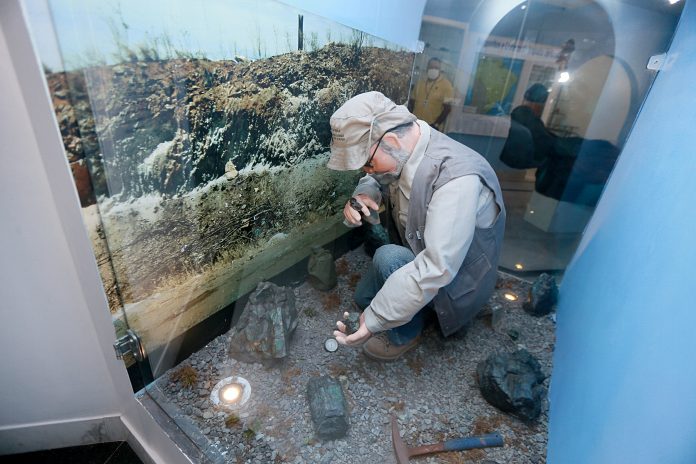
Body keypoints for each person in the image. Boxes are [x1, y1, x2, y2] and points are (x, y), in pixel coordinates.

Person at [327, 91, 506, 361]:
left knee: (386, 260)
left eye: (367, 163)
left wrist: (375, 320)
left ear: (390, 140)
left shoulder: (456, 180)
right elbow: (380, 176)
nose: (367, 171)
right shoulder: (409, 144)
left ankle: (406, 335)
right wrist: (364, 193)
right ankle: (399, 306)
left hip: (455, 282)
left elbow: (434, 268)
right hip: (418, 252)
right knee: (366, 295)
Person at [408, 58, 454, 131]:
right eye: (431, 67)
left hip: (432, 127)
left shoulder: (447, 85)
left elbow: (447, 109)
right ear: (427, 68)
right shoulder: (420, 82)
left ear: (440, 70)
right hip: (415, 124)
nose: (433, 69)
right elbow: (412, 102)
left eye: (436, 68)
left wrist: (436, 124)